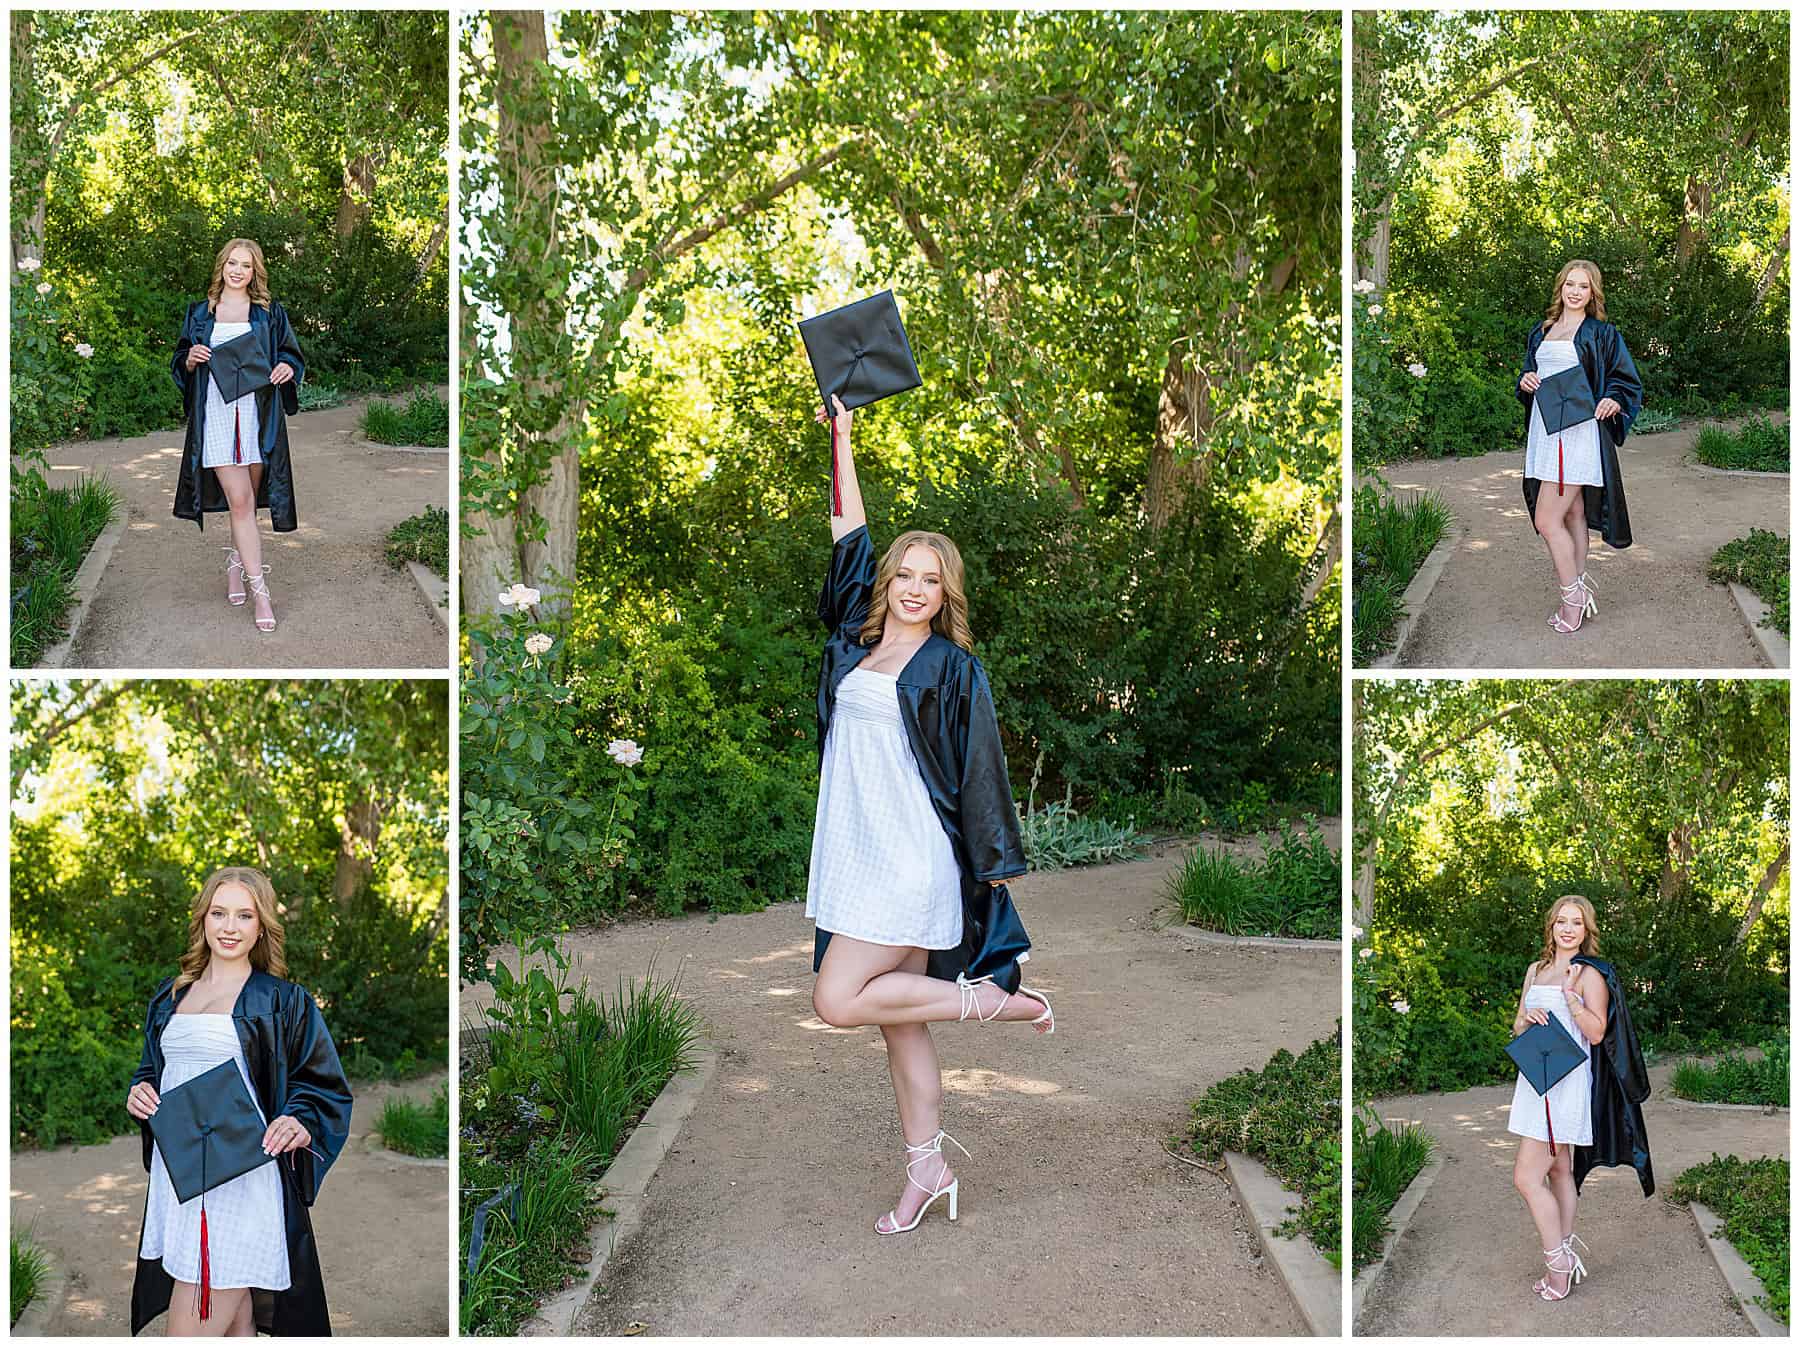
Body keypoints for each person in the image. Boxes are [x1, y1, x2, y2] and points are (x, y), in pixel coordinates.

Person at [806, 393, 1053, 1236]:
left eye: (930, 578)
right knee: (898, 1027)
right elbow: (846, 536)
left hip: (911, 859)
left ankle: (999, 1002)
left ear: (947, 591)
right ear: (889, 582)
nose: (915, 588)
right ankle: (928, 1171)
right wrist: (842, 439)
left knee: (838, 999)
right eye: (904, 574)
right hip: (855, 856)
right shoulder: (853, 640)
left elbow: (982, 773)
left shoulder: (955, 670)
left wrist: (992, 879)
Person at [126, 867, 351, 1336]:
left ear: (261, 925)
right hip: (184, 1174)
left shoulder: (282, 1001)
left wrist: (300, 1119)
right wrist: (141, 1091)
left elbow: (322, 1085)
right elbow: (154, 1069)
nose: (230, 927)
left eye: (245, 915)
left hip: (242, 1178)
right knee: (235, 1324)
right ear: (203, 919)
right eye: (219, 912)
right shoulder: (170, 998)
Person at [171, 239, 307, 633]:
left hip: (256, 415)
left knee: (244, 504)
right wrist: (191, 360)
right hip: (215, 413)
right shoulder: (200, 314)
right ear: (222, 266)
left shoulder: (268, 314)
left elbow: (290, 355)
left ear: (254, 272)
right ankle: (260, 590)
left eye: (245, 266)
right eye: (232, 263)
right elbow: (180, 361)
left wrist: (285, 368)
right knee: (242, 500)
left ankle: (236, 563)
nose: (237, 270)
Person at [1515, 259, 1641, 634]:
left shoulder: (1602, 334)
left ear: (1592, 293)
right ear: (1561, 288)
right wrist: (1525, 380)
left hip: (1580, 433)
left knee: (1545, 519)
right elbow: (1526, 373)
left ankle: (1573, 597)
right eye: (1570, 284)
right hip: (1545, 429)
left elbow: (1625, 381)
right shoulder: (1542, 332)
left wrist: (1613, 399)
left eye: (1583, 286)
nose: (1574, 291)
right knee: (1572, 517)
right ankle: (1579, 586)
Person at [1508, 895, 1609, 1301]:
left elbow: (1597, 1032)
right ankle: (1565, 1251)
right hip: (1535, 1078)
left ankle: (1558, 1264)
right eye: (1562, 922)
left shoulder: (1588, 974)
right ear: (1551, 926)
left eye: (1577, 923)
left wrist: (1571, 1000)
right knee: (1559, 1171)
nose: (1568, 929)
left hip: (1564, 1087)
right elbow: (1517, 1025)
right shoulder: (1536, 969)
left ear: (1586, 931)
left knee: (1525, 1177)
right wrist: (1525, 1020)